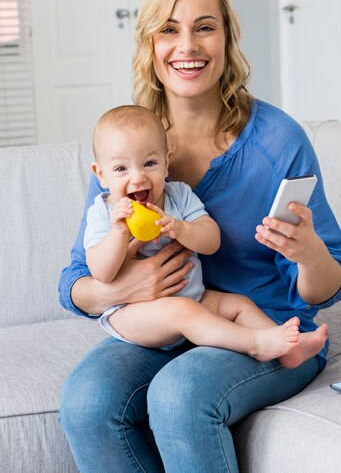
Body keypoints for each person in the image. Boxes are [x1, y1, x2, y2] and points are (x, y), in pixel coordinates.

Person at [59, 0, 341, 473]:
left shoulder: (279, 141)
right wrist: (118, 291)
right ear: (151, 45)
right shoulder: (128, 148)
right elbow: (76, 280)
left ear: (227, 39)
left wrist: (308, 253)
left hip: (261, 324)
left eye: (205, 27)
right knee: (86, 401)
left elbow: (326, 288)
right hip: (167, 325)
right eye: (169, 29)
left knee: (179, 395)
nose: (187, 45)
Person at [85, 104, 328, 364]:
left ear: (166, 164)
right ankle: (257, 344)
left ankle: (289, 349)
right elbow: (101, 272)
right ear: (101, 174)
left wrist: (181, 228)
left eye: (149, 163)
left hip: (194, 297)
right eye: (121, 169)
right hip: (132, 313)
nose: (138, 178)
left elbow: (211, 241)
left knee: (238, 305)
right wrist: (118, 234)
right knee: (183, 310)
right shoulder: (104, 211)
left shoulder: (178, 195)